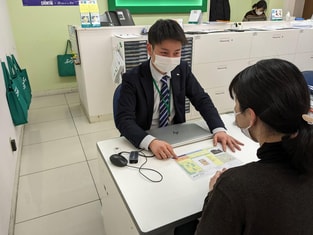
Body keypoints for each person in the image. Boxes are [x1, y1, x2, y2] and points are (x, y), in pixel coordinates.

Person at [195, 58, 313, 234]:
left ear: (251, 116)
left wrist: (213, 195)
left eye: (236, 105)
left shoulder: (234, 186)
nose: (235, 111)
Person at [115, 19, 243, 160]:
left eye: (176, 53)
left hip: (176, 136)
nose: (171, 59)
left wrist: (218, 129)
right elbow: (124, 120)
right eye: (164, 53)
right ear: (150, 49)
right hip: (145, 137)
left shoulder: (182, 69)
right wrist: (150, 141)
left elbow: (201, 99)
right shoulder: (132, 78)